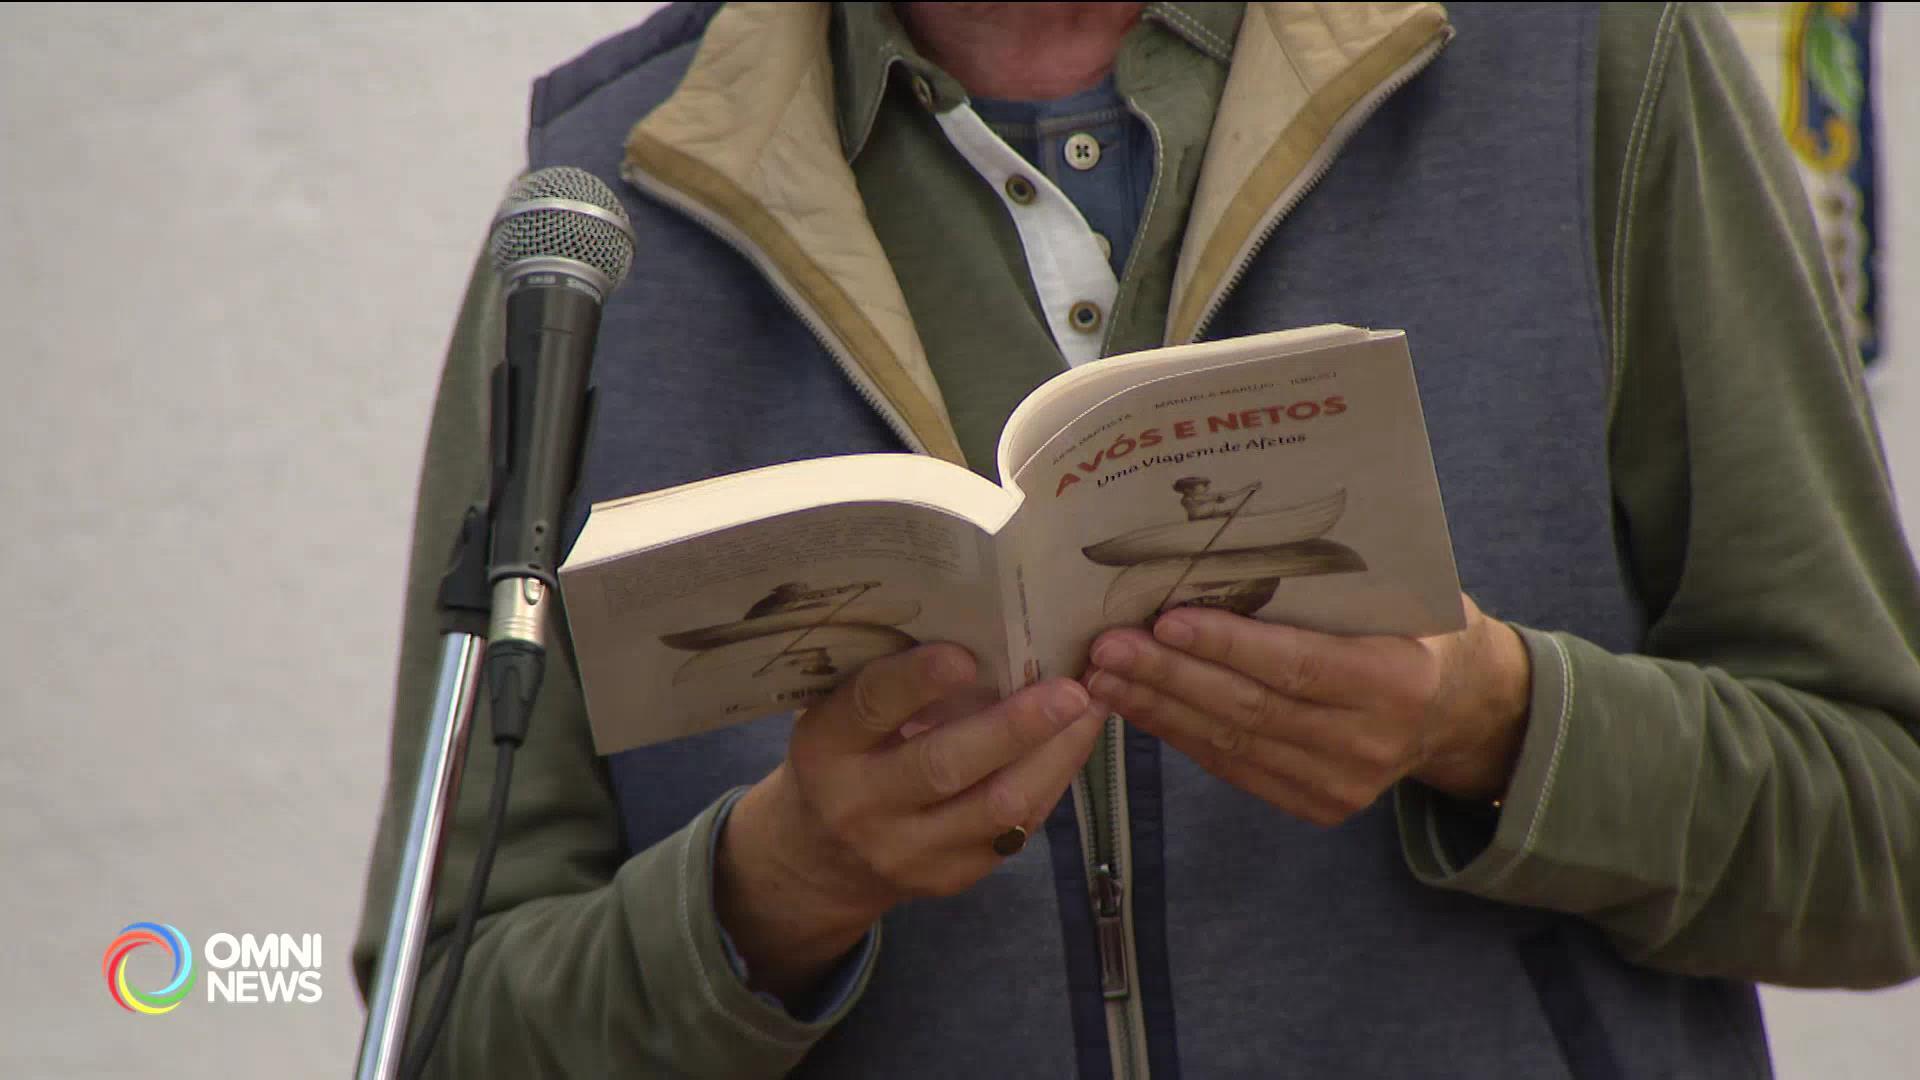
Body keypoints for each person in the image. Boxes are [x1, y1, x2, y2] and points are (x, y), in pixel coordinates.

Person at [355, 3, 1920, 1077]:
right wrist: (775, 892)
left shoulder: (1590, 63)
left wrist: (1497, 725)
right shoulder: (602, 213)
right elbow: (444, 1027)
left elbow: (1884, 831)